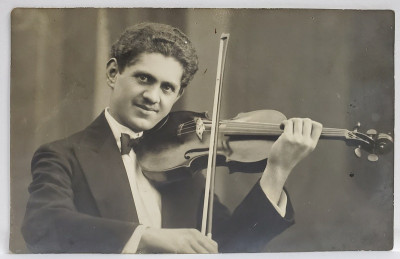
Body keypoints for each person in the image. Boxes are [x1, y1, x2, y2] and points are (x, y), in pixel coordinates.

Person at [21, 22, 323, 253]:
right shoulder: (63, 155)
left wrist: (277, 170)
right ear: (114, 73)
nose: (153, 96)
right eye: (143, 78)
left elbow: (232, 246)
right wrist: (150, 236)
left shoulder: (181, 165)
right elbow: (43, 226)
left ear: (177, 95)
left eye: (167, 87)